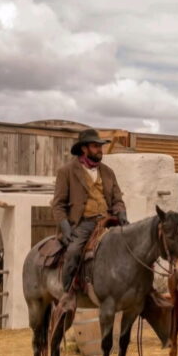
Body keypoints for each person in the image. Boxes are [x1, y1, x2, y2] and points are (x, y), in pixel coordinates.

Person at [51, 129, 127, 308]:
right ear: (84, 149)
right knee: (73, 252)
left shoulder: (108, 172)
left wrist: (122, 215)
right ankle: (67, 294)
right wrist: (65, 227)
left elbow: (117, 200)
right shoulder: (67, 171)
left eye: (100, 146)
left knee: (131, 246)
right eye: (95, 146)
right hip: (83, 223)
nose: (100, 149)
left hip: (108, 221)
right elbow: (58, 204)